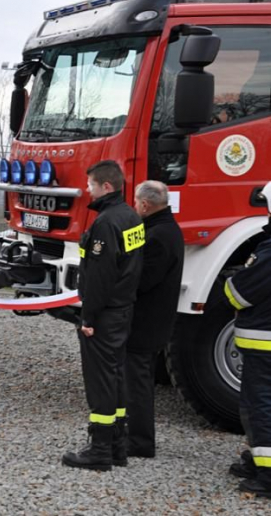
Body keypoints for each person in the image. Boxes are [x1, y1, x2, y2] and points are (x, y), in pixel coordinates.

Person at [62, 160, 144, 471]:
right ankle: (117, 447)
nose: (87, 189)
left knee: (100, 382)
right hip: (122, 310)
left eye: (91, 185)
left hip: (105, 314)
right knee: (116, 377)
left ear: (106, 187)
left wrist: (89, 319)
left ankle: (99, 450)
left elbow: (99, 278)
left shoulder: (106, 223)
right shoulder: (130, 216)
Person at [124, 181, 184, 458]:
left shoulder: (158, 236)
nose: (135, 207)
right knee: (138, 379)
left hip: (146, 322)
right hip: (152, 320)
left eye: (136, 203)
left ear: (145, 205)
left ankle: (140, 441)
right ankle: (135, 436)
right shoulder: (164, 229)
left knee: (138, 382)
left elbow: (143, 279)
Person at [224, 181, 271, 498]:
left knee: (261, 405)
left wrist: (232, 279)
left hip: (262, 344)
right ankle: (257, 459)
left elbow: (238, 294)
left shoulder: (268, 252)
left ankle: (266, 476)